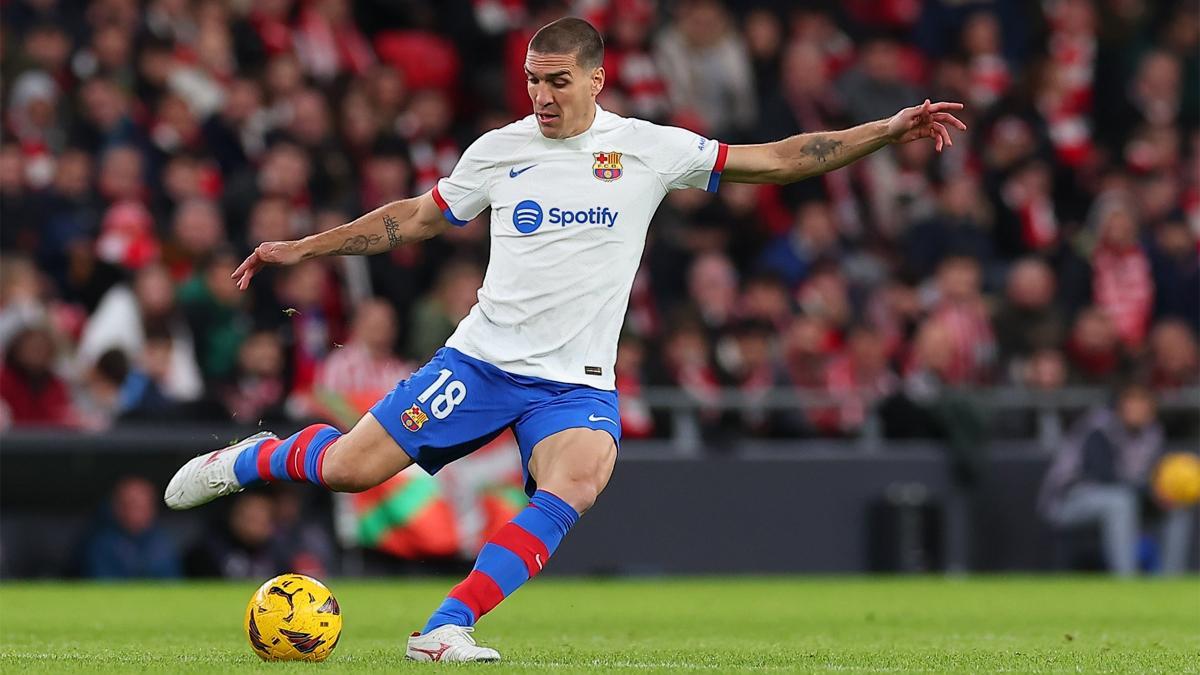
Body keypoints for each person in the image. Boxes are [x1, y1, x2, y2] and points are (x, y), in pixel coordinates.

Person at [164, 17, 965, 662]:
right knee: (346, 470)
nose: (541, 97)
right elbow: (409, 218)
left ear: (594, 79)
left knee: (578, 482)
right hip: (479, 361)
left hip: (576, 379)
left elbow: (782, 159)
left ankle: (444, 627)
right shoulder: (499, 151)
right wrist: (306, 248)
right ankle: (246, 457)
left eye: (556, 81)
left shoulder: (647, 148)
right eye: (531, 82)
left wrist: (883, 131)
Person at [1039, 384, 1194, 576]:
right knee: (1120, 502)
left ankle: (1171, 581)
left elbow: (1151, 475)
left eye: (1143, 404)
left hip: (1127, 494)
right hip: (1068, 498)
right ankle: (1125, 579)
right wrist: (1150, 491)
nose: (1137, 409)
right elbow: (1103, 475)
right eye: (1132, 403)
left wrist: (1165, 493)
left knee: (1177, 508)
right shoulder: (1099, 427)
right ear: (1120, 406)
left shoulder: (1152, 433)